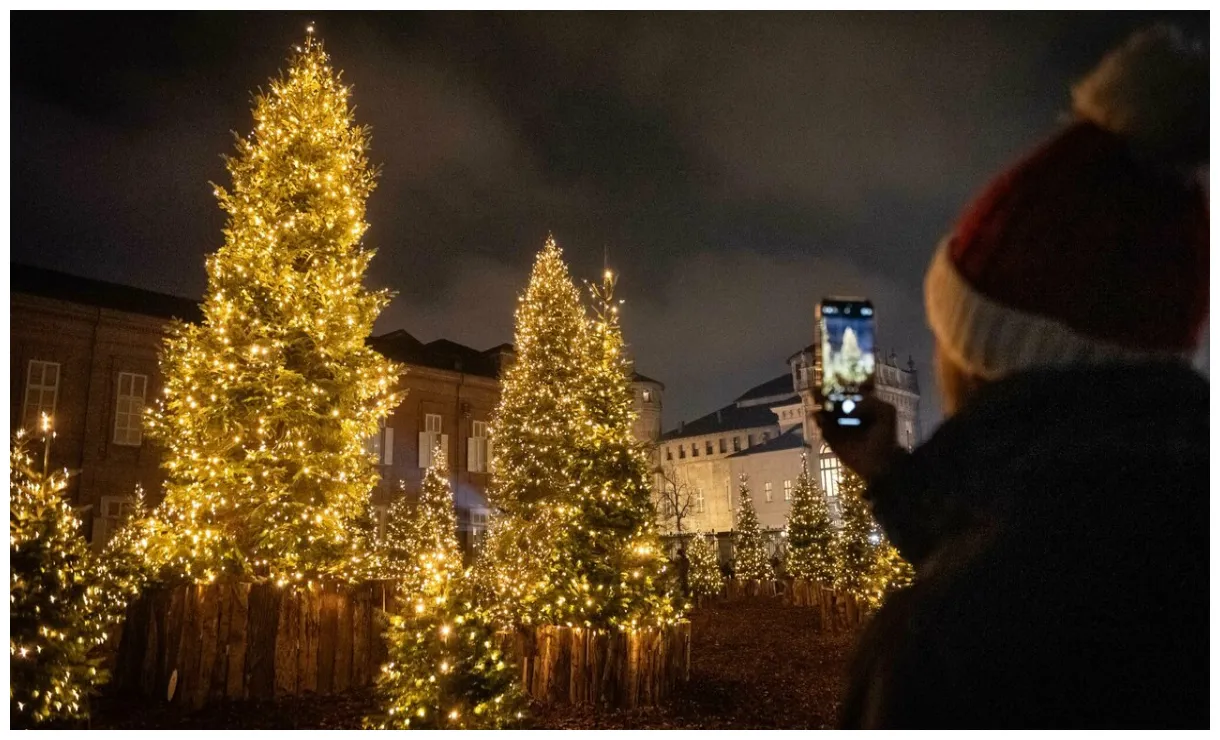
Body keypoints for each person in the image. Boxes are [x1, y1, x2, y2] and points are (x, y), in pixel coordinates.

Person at [817, 26, 1208, 729]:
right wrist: (890, 476)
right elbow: (1054, 543)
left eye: (949, 327)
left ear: (986, 358)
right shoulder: (1173, 517)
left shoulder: (941, 647)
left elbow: (1019, 580)